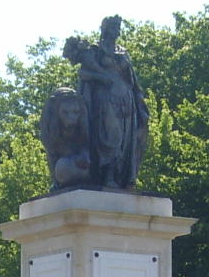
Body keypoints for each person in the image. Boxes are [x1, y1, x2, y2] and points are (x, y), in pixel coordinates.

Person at [63, 15, 149, 189]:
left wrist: (140, 103)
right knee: (111, 138)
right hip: (105, 100)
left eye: (117, 27)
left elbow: (132, 81)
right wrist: (102, 77)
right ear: (104, 29)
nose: (116, 31)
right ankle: (108, 175)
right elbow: (84, 74)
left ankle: (122, 177)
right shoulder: (95, 51)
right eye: (112, 27)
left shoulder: (122, 52)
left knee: (126, 140)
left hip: (127, 100)